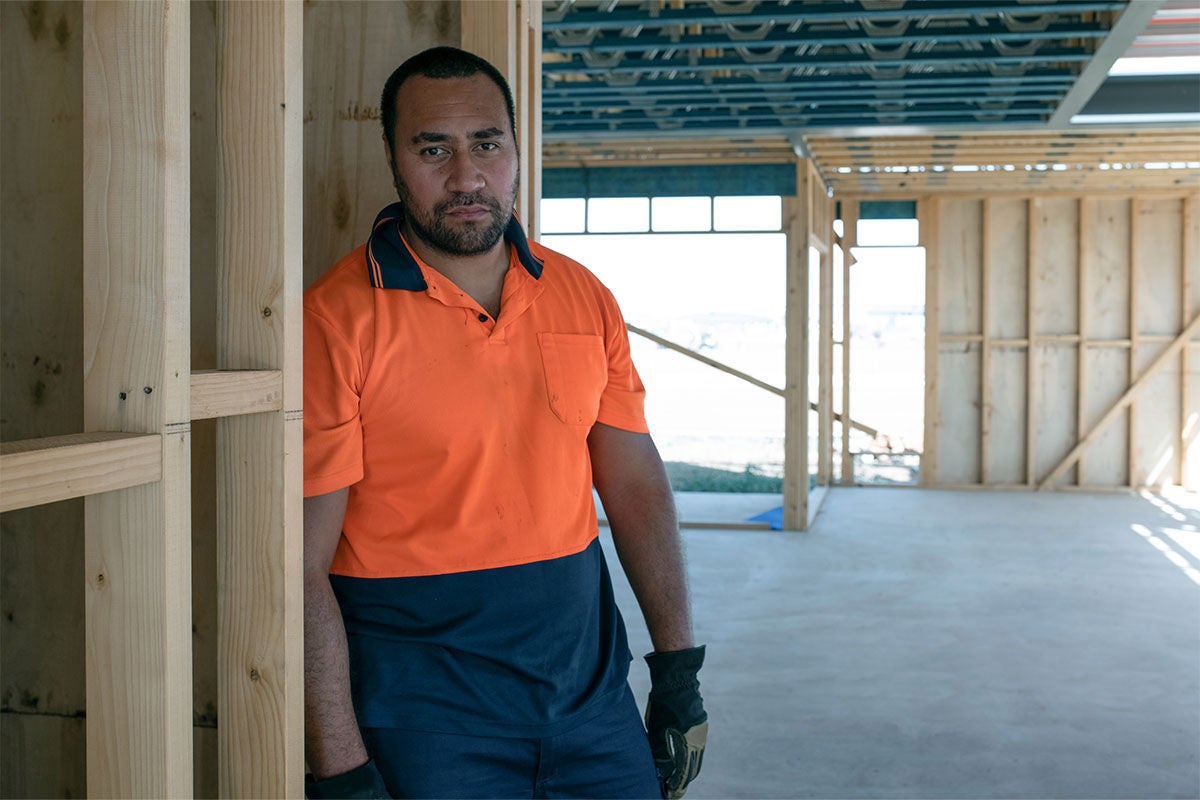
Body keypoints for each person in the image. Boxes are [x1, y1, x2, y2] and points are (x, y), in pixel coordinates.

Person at [302, 46, 707, 800]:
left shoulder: (581, 296)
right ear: (393, 156)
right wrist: (341, 768)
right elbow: (296, 566)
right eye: (433, 149)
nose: (466, 177)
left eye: (487, 143)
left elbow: (635, 486)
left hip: (591, 708)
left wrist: (678, 668)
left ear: (517, 150)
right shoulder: (334, 320)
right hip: (426, 726)